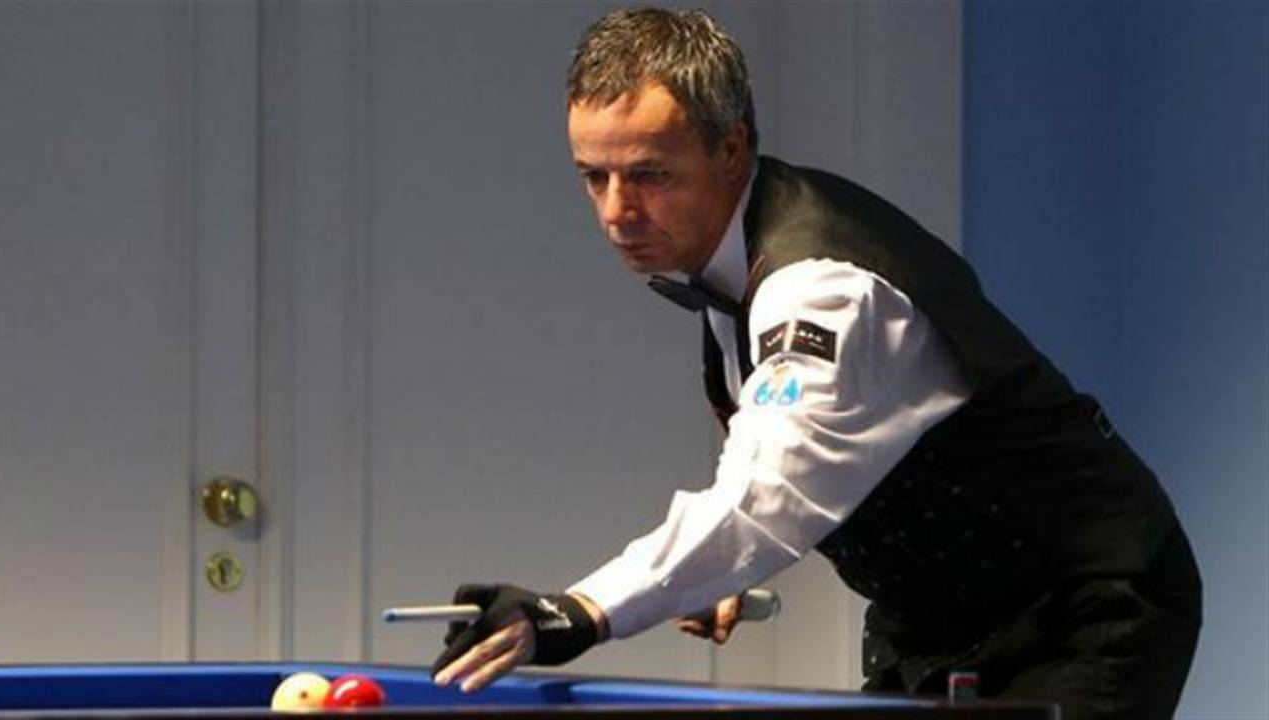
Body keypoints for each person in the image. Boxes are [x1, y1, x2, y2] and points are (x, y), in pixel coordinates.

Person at [429, 8, 1201, 719]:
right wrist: (716, 571)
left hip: (1078, 606)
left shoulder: (818, 288)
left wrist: (579, 611)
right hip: (935, 619)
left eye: (650, 175)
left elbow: (768, 495)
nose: (615, 211)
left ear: (730, 148)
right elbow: (793, 461)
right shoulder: (736, 261)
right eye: (594, 176)